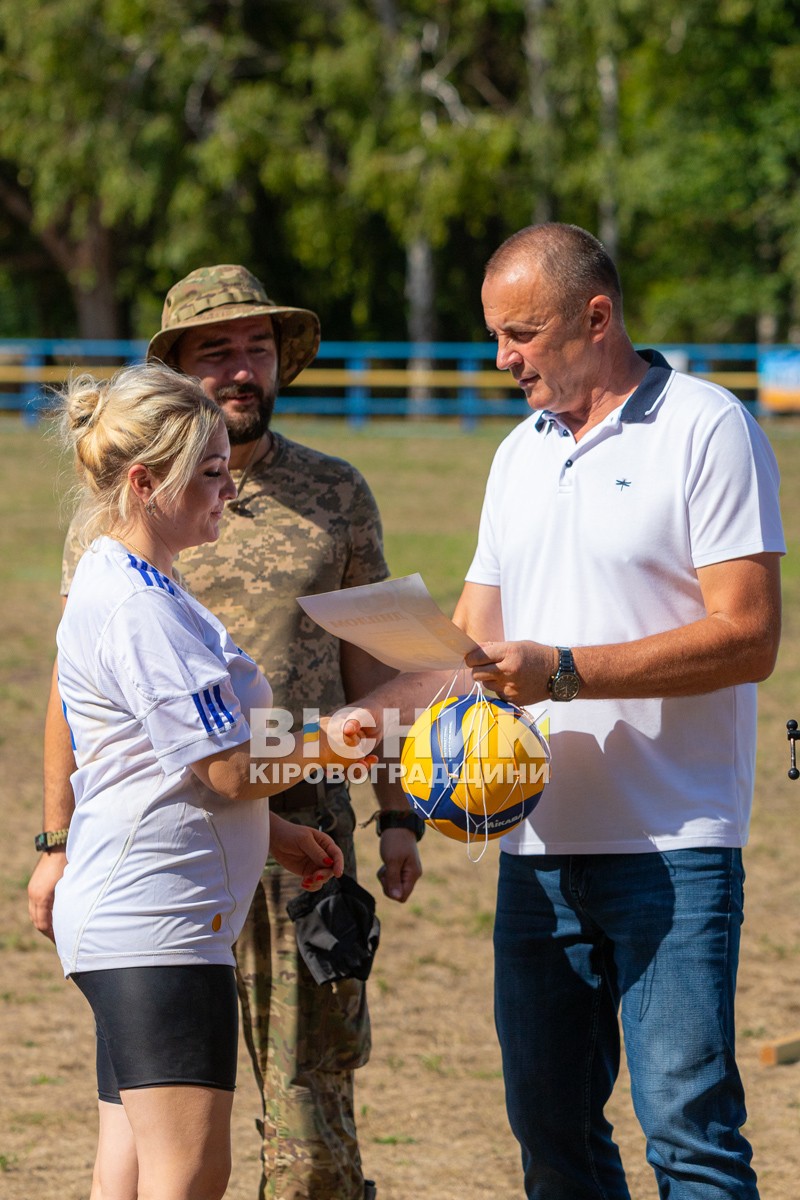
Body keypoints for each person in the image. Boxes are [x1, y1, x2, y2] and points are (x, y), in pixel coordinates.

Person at [364, 223, 784, 1199]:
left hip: (673, 846)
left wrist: (562, 672)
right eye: (493, 336)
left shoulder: (706, 427)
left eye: (519, 333)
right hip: (532, 853)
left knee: (688, 1135)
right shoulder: (516, 455)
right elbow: (463, 650)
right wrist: (355, 726)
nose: (501, 358)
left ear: (595, 317)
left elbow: (748, 637)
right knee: (548, 1129)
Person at [28, 266, 424, 1200]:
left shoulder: (321, 498)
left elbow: (361, 659)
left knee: (287, 1111)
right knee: (185, 1163)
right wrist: (348, 734)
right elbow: (209, 756)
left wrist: (353, 814)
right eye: (218, 350)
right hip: (166, 887)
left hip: (249, 843)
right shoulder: (126, 575)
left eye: (259, 347)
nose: (244, 368)